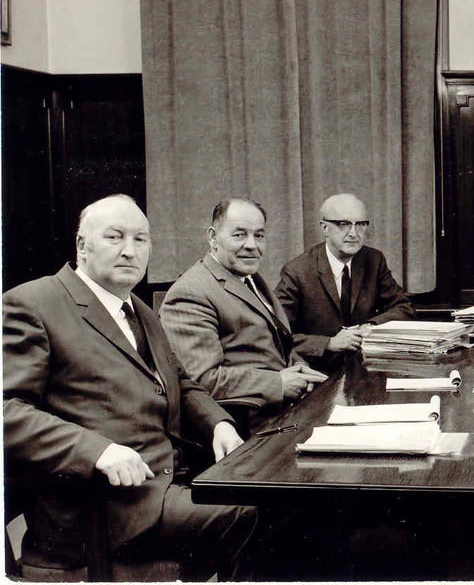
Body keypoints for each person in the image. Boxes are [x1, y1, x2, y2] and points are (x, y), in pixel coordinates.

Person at [3, 194, 256, 579]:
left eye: (141, 239)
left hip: (163, 487)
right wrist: (97, 450)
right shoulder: (33, 303)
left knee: (279, 506)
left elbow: (180, 382)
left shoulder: (141, 310)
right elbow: (7, 410)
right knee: (256, 516)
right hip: (102, 508)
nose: (130, 251)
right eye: (114, 237)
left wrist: (218, 424)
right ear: (82, 245)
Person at [160, 197, 326, 431]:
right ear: (213, 237)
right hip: (246, 428)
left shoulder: (249, 278)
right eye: (239, 235)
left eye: (259, 235)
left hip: (283, 414)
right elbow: (200, 381)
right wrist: (278, 383)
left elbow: (273, 347)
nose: (251, 245)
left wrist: (298, 368)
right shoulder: (190, 292)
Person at [276, 193, 415, 368]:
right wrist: (329, 343)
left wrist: (370, 326)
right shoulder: (297, 271)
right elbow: (278, 334)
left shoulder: (373, 260)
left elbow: (403, 308)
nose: (353, 233)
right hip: (320, 372)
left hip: (368, 368)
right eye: (343, 224)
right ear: (325, 228)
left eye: (360, 224)